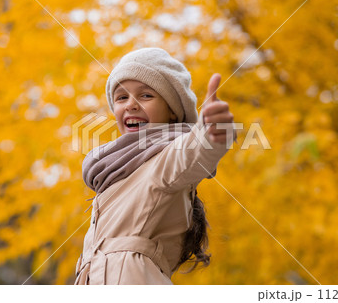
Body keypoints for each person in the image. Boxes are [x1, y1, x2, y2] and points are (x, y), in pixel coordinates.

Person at [74, 47, 236, 285]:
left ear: (172, 111)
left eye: (146, 95)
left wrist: (212, 131)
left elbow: (192, 153)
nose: (131, 104)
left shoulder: (164, 160)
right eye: (121, 97)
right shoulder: (113, 171)